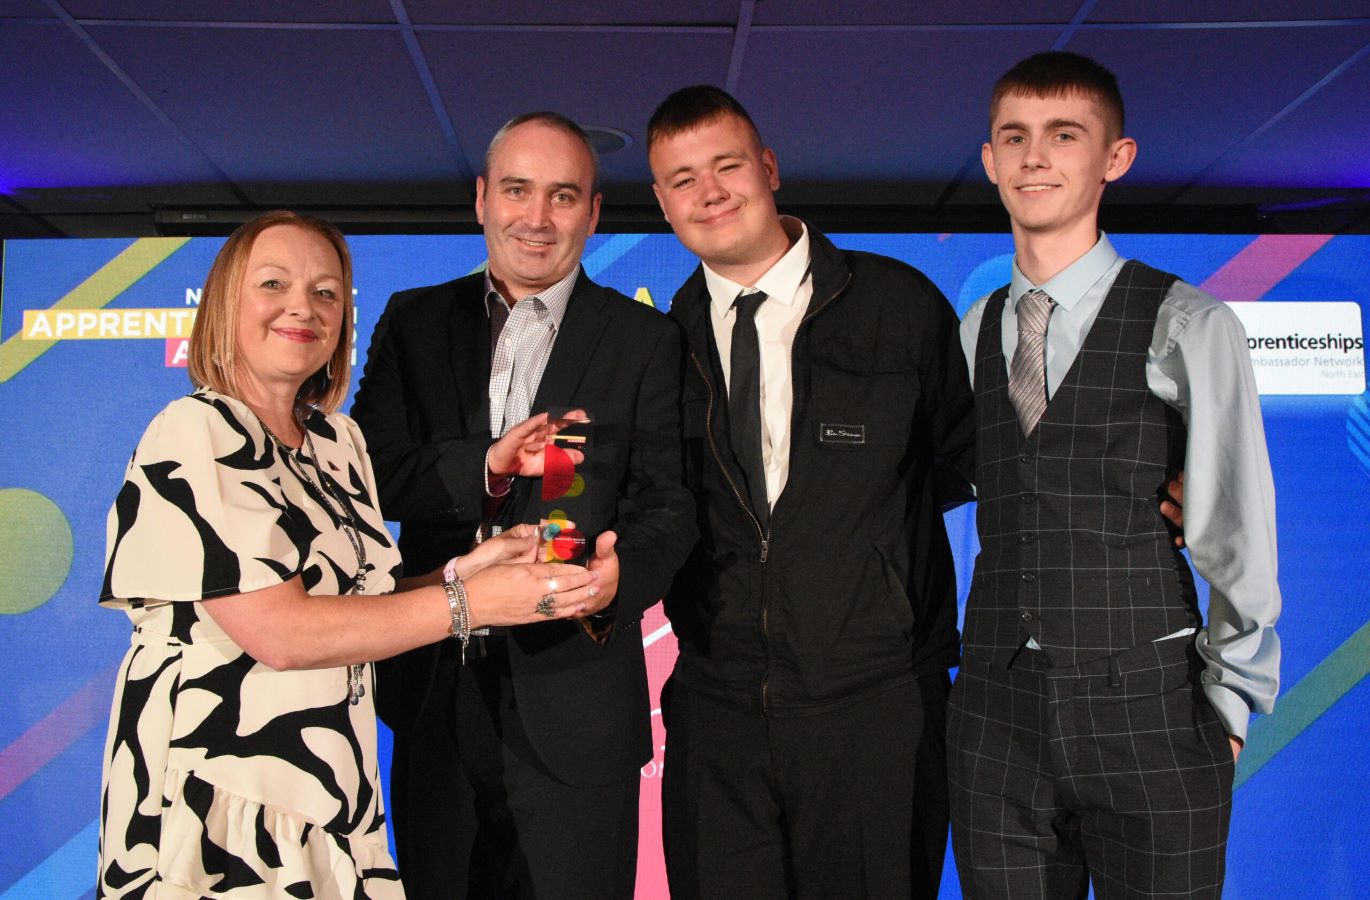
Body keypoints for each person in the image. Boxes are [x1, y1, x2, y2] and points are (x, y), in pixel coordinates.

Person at [96, 211, 599, 898]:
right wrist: (470, 604)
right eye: (273, 284)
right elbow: (283, 632)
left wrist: (470, 569)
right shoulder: (195, 431)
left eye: (326, 292)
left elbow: (360, 606)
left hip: (334, 791)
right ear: (224, 305)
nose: (303, 307)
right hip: (222, 795)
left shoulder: (339, 443)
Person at [950, 51, 1281, 899]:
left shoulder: (1188, 321)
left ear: (1115, 157)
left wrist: (1231, 707)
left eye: (1064, 135)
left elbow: (1236, 526)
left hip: (1152, 711)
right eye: (1014, 137)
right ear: (988, 158)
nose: (1034, 157)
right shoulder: (975, 327)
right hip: (994, 714)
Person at [350, 113, 695, 899]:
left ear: (593, 213)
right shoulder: (413, 320)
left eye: (563, 196)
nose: (537, 218)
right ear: (482, 199)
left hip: (580, 703)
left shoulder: (645, 338)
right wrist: (489, 466)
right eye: (517, 190)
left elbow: (670, 506)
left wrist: (617, 584)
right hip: (435, 695)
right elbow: (374, 473)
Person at [646, 85, 976, 899]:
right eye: (683, 179)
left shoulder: (898, 304)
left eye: (727, 165)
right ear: (661, 201)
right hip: (716, 712)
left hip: (876, 707)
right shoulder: (656, 343)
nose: (709, 192)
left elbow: (974, 461)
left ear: (769, 168)